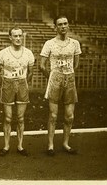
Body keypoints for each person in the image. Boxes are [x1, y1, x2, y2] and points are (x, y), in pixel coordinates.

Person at [39, 15, 82, 156]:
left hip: (69, 79)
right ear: (56, 27)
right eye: (60, 24)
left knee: (69, 116)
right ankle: (50, 145)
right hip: (55, 79)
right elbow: (42, 65)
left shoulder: (75, 43)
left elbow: (76, 62)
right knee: (53, 115)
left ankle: (65, 143)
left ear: (68, 25)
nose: (63, 26)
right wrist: (52, 77)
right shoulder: (49, 44)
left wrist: (69, 73)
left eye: (65, 23)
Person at [0, 26, 35, 157]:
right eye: (15, 36)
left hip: (22, 83)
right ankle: (6, 146)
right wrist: (4, 85)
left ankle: (20, 145)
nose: (18, 38)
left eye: (20, 36)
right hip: (7, 83)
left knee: (20, 118)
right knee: (7, 118)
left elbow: (31, 72)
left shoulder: (28, 53)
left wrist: (24, 84)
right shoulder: (3, 53)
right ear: (10, 37)